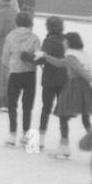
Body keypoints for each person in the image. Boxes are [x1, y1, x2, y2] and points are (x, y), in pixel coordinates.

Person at [44, 32, 92, 156]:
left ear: (70, 43)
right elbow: (60, 63)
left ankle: (64, 146)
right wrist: (45, 56)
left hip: (76, 87)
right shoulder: (81, 55)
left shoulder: (71, 56)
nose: (63, 43)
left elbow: (79, 70)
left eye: (65, 41)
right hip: (85, 88)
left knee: (63, 115)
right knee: (85, 118)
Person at [1, 12, 41, 147]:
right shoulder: (34, 38)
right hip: (29, 73)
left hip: (15, 72)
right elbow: (38, 57)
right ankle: (25, 134)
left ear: (16, 23)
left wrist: (9, 64)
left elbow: (5, 56)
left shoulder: (10, 36)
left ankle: (12, 134)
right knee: (27, 105)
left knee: (12, 104)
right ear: (30, 23)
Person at [34, 14, 69, 154]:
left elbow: (42, 59)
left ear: (48, 27)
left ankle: (41, 139)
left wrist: (33, 59)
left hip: (49, 79)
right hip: (64, 79)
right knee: (63, 112)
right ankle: (64, 142)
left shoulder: (48, 41)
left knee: (46, 108)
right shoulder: (67, 40)